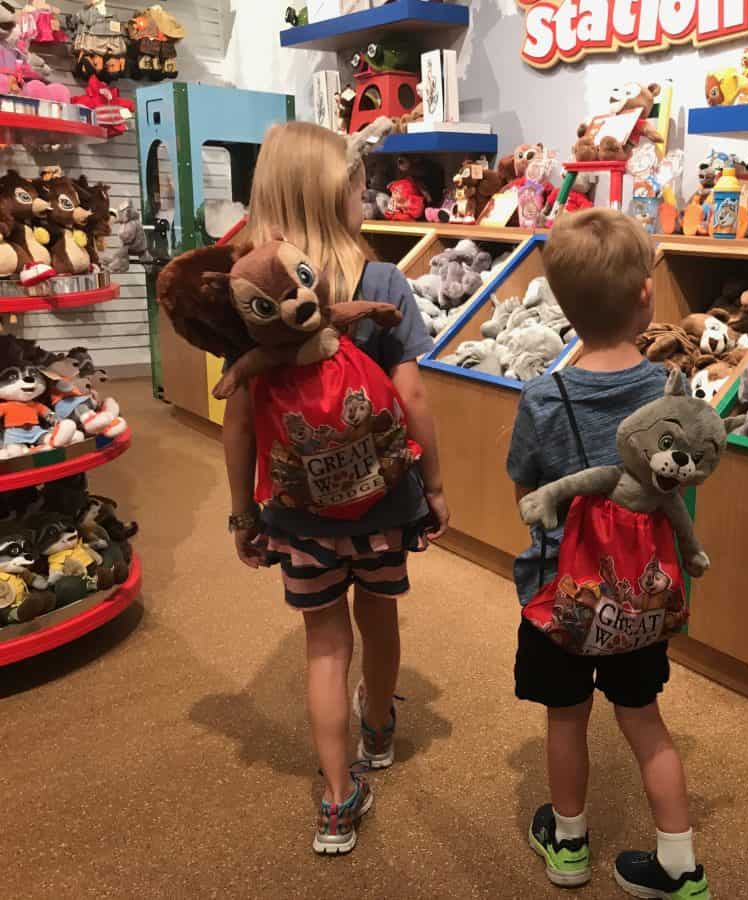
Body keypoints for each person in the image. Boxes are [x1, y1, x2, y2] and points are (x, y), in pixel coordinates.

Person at [221, 121, 449, 855]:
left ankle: (336, 796)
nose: (366, 194)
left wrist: (241, 515)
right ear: (333, 195)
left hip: (299, 514)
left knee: (324, 644)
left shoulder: (249, 291)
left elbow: (239, 423)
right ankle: (378, 730)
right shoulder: (381, 284)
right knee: (378, 617)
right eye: (357, 184)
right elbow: (414, 401)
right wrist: (435, 486)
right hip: (383, 507)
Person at [508, 208, 711, 899]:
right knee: (645, 722)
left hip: (557, 601)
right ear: (646, 297)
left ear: (559, 302)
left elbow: (525, 490)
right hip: (642, 600)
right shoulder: (669, 392)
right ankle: (681, 866)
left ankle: (568, 848)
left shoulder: (542, 396)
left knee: (565, 720)